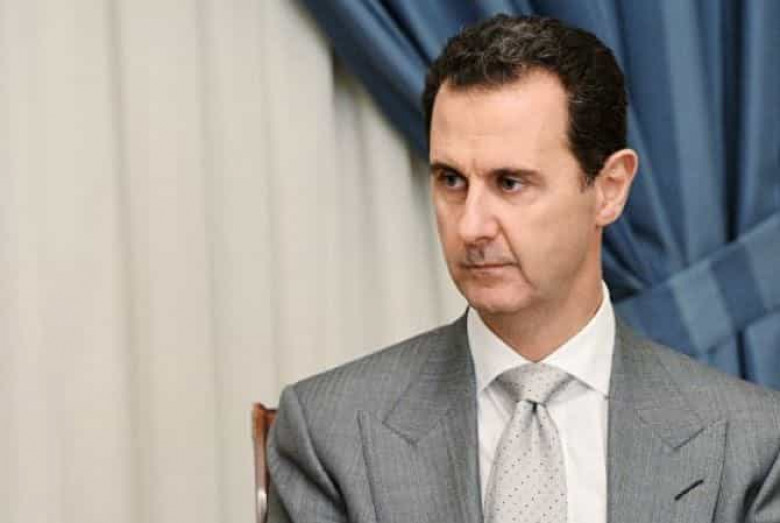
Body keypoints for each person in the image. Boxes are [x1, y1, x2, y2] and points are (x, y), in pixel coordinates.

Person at [267, 14, 780, 523]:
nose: (471, 226)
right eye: (451, 180)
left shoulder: (752, 443)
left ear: (609, 189)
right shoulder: (330, 434)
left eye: (510, 183)